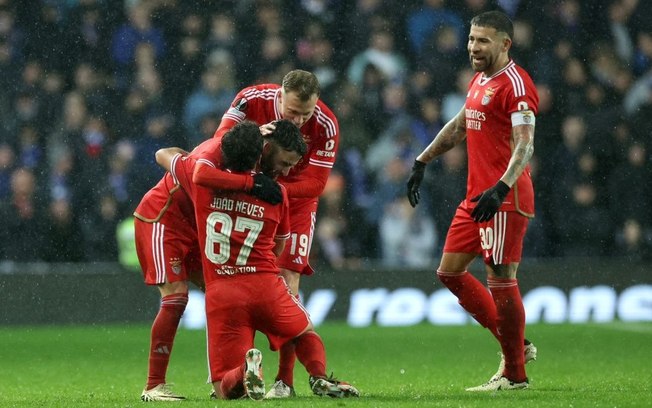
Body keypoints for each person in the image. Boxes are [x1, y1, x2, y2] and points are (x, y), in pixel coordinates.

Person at [156, 120, 359, 400]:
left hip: (223, 291)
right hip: (264, 284)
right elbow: (280, 244)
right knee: (303, 330)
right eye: (285, 163)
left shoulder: (200, 179)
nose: (286, 171)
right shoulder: (277, 194)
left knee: (224, 390)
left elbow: (164, 156)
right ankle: (319, 376)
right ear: (263, 152)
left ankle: (245, 370)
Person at [406, 10, 539, 391]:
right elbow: (462, 124)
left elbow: (525, 144)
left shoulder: (516, 84)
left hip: (503, 197)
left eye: (482, 40)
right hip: (475, 197)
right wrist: (423, 159)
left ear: (504, 44)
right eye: (470, 39)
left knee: (500, 278)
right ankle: (516, 346)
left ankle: (515, 374)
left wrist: (501, 188)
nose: (473, 47)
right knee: (449, 272)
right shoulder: (481, 80)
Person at [134, 123, 288, 401]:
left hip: (197, 229)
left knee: (230, 295)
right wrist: (251, 184)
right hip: (163, 220)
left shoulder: (238, 159)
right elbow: (166, 155)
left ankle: (226, 377)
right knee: (176, 299)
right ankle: (153, 385)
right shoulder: (205, 162)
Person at [212, 69, 339, 398]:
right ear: (279, 96)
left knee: (287, 283)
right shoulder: (251, 98)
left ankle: (285, 381)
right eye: (292, 112)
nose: (298, 120)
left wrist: (275, 188)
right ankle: (239, 371)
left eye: (305, 114)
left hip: (293, 203)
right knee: (246, 280)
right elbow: (221, 141)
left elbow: (316, 184)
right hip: (250, 193)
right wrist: (254, 134)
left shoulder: (326, 124)